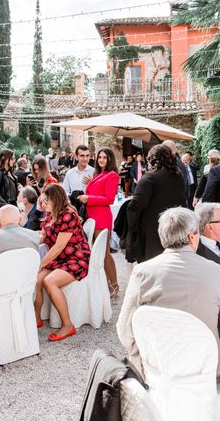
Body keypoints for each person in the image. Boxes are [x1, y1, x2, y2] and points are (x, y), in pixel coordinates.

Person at [117, 207, 220, 376]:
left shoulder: (143, 272)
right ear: (191, 237)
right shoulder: (215, 270)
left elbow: (124, 329)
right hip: (206, 369)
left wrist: (143, 357)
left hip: (159, 369)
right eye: (198, 233)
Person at [34, 184, 90, 341]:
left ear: (56, 199)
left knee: (49, 281)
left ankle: (67, 325)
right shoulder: (50, 215)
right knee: (37, 280)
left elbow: (58, 247)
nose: (44, 203)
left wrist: (41, 264)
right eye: (43, 200)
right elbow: (43, 237)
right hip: (60, 259)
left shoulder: (68, 215)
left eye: (46, 200)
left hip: (76, 258)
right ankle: (36, 317)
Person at [126, 144, 187, 263]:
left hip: (154, 227)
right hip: (175, 225)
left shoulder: (149, 178)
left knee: (153, 261)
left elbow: (137, 205)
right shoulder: (178, 175)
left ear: (152, 159)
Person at [78, 147, 120, 295]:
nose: (101, 160)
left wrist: (89, 198)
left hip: (101, 217)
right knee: (97, 253)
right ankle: (106, 283)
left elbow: (109, 199)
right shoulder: (98, 174)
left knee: (104, 253)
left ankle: (114, 285)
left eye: (104, 157)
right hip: (92, 217)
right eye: (99, 157)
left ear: (110, 159)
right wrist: (91, 183)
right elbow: (95, 191)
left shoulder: (112, 175)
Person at [0, 149, 18, 215]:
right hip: (4, 207)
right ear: (5, 159)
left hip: (12, 205)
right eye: (12, 158)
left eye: (14, 159)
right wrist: (6, 206)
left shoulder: (11, 173)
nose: (14, 161)